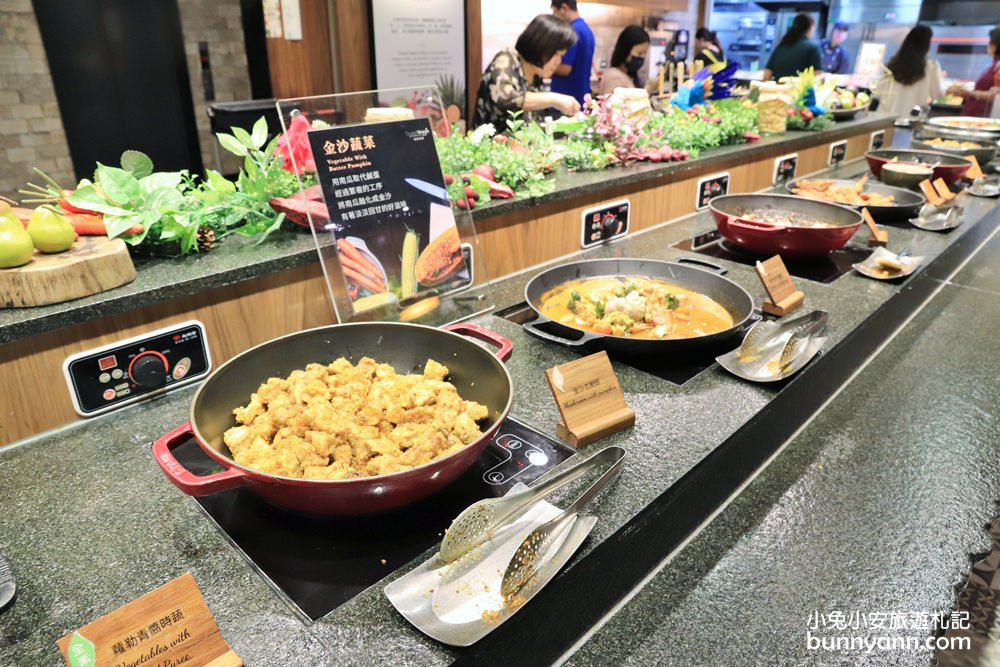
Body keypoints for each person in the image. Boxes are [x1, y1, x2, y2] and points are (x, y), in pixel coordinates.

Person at [472, 15, 580, 133]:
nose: (559, 61)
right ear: (542, 46)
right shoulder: (505, 61)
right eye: (557, 54)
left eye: (562, 56)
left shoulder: (536, 76)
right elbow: (505, 99)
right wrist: (554, 99)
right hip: (490, 148)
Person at [878, 26, 943, 118]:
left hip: (886, 119)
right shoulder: (931, 65)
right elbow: (937, 94)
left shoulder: (892, 63)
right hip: (912, 120)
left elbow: (879, 91)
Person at [549, 0, 595, 105]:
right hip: (580, 97)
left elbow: (565, 68)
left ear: (564, 8)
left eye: (555, 12)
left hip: (565, 100)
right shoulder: (586, 30)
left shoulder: (571, 31)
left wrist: (541, 66)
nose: (554, 16)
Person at [947, 27, 1000, 117]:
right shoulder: (994, 65)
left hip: (983, 118)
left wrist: (967, 92)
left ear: (993, 46)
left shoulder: (998, 65)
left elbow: (996, 96)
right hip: (976, 115)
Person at [762, 14, 822, 81]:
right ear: (810, 27)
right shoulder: (813, 48)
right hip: (799, 91)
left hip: (776, 89)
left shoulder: (780, 47)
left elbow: (766, 75)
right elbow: (817, 77)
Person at [597, 25, 650, 95]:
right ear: (626, 50)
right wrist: (648, 88)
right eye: (639, 53)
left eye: (644, 54)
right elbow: (616, 104)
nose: (642, 58)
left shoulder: (627, 76)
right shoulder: (614, 78)